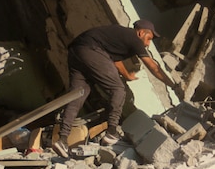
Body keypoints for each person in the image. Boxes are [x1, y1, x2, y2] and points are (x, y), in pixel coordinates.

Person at [53, 20, 181, 157]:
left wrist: (127, 75)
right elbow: (153, 66)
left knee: (78, 95)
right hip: (91, 50)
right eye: (149, 38)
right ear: (141, 32)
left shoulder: (119, 37)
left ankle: (62, 139)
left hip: (76, 51)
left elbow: (113, 60)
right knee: (118, 89)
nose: (148, 44)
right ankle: (111, 132)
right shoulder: (134, 38)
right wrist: (173, 85)